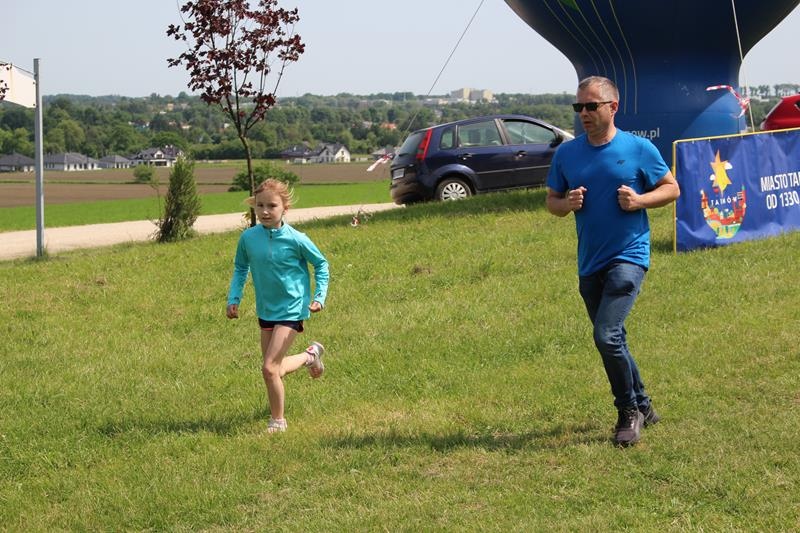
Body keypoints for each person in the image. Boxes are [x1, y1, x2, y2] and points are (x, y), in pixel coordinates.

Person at [545, 76, 680, 446]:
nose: (584, 113)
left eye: (591, 106)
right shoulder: (567, 154)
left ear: (612, 107)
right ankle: (645, 405)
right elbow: (552, 202)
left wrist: (639, 201)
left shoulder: (638, 148)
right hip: (590, 261)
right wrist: (566, 203)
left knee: (605, 335)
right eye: (579, 107)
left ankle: (628, 412)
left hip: (629, 256)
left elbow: (672, 188)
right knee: (613, 338)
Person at [226, 179, 330, 434]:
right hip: (266, 310)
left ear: (285, 208)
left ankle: (277, 422)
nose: (264, 211)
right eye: (259, 205)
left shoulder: (297, 239)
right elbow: (240, 268)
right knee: (276, 369)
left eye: (271, 206)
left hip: (292, 308)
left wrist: (319, 297)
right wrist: (234, 298)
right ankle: (310, 356)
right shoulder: (248, 238)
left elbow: (321, 264)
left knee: (269, 368)